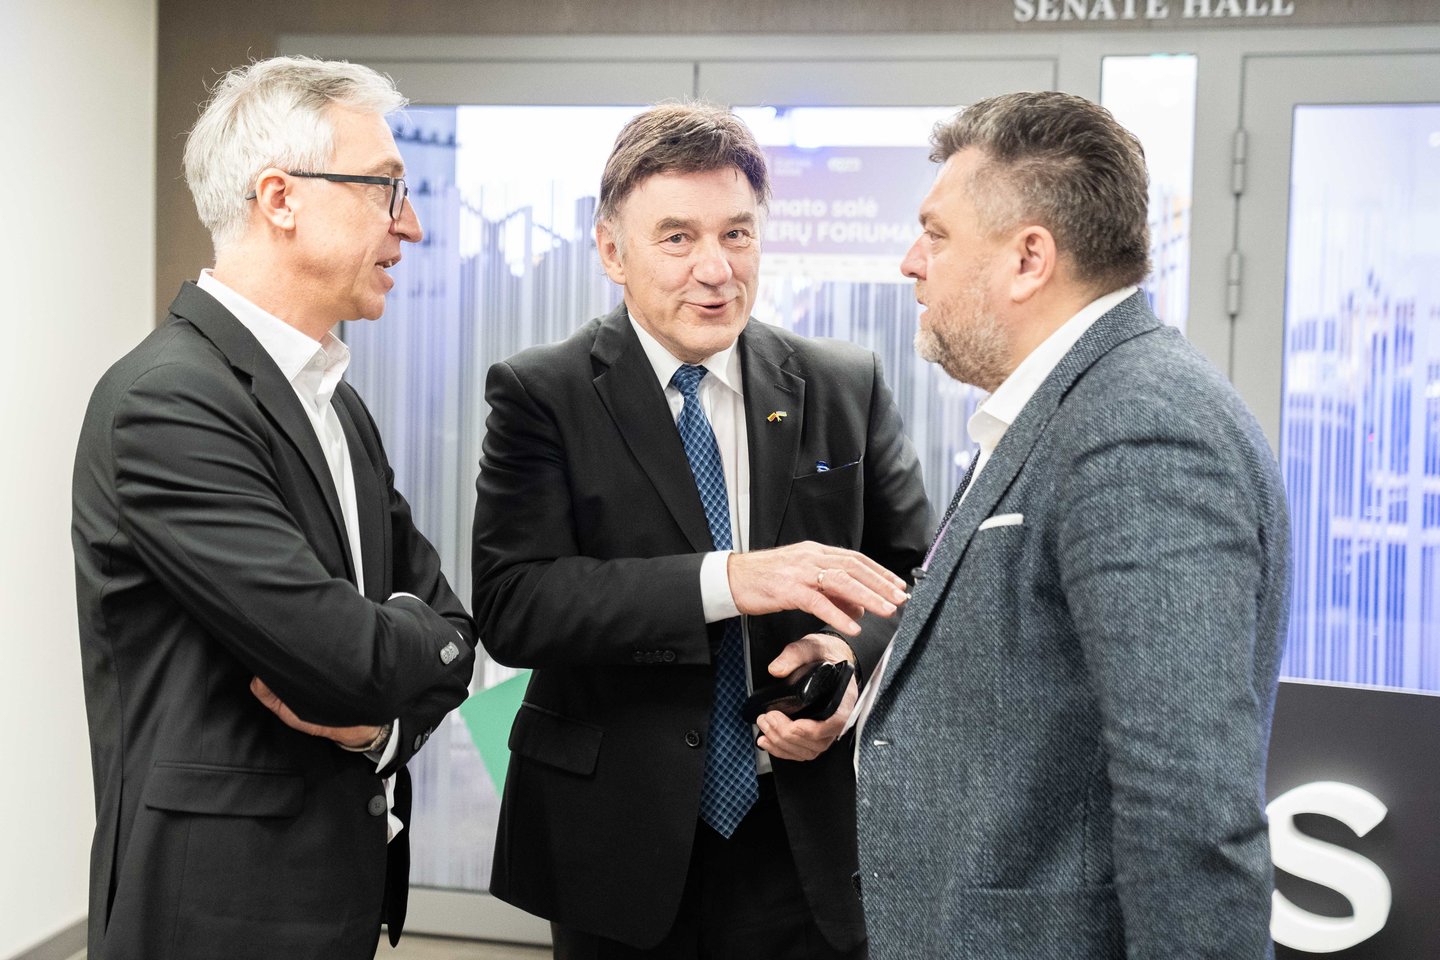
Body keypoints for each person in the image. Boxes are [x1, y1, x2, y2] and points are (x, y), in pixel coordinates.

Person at [471, 102, 930, 959]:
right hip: (616, 835)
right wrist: (725, 580)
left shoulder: (845, 384)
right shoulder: (543, 393)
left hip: (804, 832)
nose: (715, 270)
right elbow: (515, 604)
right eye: (677, 238)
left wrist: (848, 659)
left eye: (737, 235)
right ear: (612, 251)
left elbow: (916, 581)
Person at [856, 91, 1290, 959]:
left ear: (1028, 259)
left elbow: (1190, 807)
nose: (911, 263)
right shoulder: (1069, 407)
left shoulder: (1139, 431)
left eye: (936, 235)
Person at [71, 56, 476, 960]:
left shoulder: (334, 402)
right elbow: (347, 661)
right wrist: (405, 645)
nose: (410, 224)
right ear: (281, 198)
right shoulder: (166, 402)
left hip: (332, 897)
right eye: (386, 188)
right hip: (215, 918)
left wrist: (385, 716)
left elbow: (454, 628)